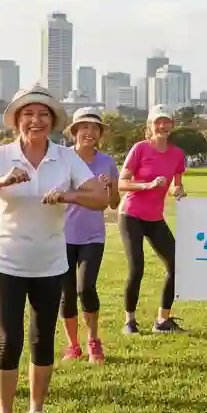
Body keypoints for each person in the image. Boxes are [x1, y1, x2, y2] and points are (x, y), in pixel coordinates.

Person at [0, 85, 107, 413]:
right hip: (6, 260)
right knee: (9, 340)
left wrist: (68, 194)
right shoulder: (0, 156)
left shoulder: (66, 158)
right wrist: (0, 182)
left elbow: (101, 197)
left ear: (53, 121)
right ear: (16, 121)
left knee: (42, 340)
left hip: (51, 262)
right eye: (28, 114)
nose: (35, 120)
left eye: (43, 115)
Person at [118, 105, 186, 334]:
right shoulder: (140, 149)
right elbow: (121, 183)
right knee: (137, 267)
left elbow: (176, 184)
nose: (163, 126)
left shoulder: (177, 154)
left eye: (167, 122)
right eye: (158, 122)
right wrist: (146, 185)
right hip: (131, 214)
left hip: (154, 217)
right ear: (150, 126)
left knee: (178, 265)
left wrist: (177, 190)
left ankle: (163, 320)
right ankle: (129, 321)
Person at [60, 107, 119, 361]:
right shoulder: (61, 159)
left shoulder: (106, 162)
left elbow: (114, 203)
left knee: (86, 288)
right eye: (84, 127)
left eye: (94, 128)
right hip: (62, 236)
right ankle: (73, 346)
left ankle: (93, 340)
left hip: (93, 236)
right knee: (67, 294)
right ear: (75, 132)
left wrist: (110, 187)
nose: (89, 132)